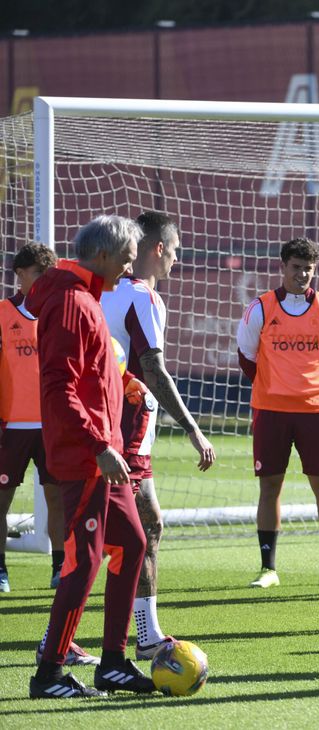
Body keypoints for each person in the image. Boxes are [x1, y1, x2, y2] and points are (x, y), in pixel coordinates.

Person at [27, 215, 154, 698]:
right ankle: (50, 674)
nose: (129, 266)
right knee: (83, 564)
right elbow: (58, 386)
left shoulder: (85, 299)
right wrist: (100, 446)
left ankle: (114, 664)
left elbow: (87, 375)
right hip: (88, 458)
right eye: (125, 256)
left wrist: (124, 385)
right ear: (102, 255)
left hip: (104, 456)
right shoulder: (71, 302)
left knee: (134, 544)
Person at [100, 211, 216, 659]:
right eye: (177, 251)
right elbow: (154, 367)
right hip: (125, 428)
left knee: (134, 528)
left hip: (109, 424)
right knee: (134, 531)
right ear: (159, 249)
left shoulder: (101, 291)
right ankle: (116, 640)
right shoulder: (143, 297)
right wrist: (192, 428)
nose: (177, 261)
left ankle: (142, 634)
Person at [236, 237, 319, 589]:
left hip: (313, 410)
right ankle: (268, 568)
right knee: (270, 485)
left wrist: (309, 387)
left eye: (308, 268)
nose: (302, 273)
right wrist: (275, 385)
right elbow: (247, 356)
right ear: (282, 267)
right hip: (270, 410)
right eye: (296, 267)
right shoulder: (260, 308)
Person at [1, 244, 68, 594]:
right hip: (11, 427)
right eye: (38, 275)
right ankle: (0, 570)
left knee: (57, 497)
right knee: (2, 499)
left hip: (53, 425)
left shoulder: (60, 314)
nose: (44, 282)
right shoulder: (2, 313)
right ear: (21, 275)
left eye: (48, 275)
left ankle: (60, 568)